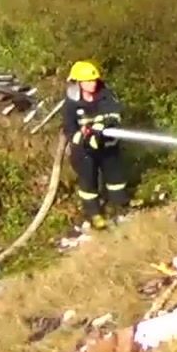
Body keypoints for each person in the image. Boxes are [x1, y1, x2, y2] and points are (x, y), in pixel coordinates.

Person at [62, 60, 129, 230]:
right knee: (88, 181)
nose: (93, 84)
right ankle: (94, 214)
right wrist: (83, 139)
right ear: (79, 83)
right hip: (85, 151)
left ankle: (120, 205)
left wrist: (100, 128)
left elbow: (114, 114)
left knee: (115, 177)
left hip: (107, 144)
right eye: (88, 81)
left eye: (94, 80)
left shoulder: (105, 94)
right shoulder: (71, 102)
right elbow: (69, 129)